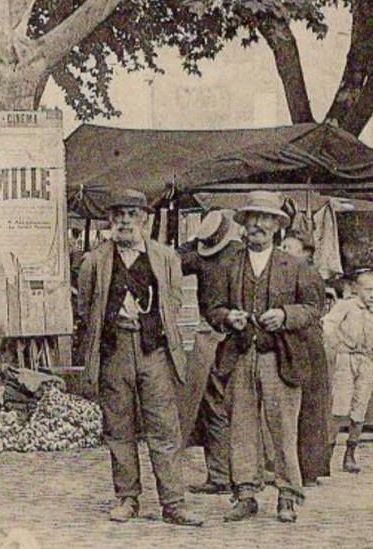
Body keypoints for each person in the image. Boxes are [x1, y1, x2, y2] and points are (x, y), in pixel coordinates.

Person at [75, 189, 202, 526]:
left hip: (154, 353)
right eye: (119, 215)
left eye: (132, 215)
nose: (125, 222)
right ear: (110, 220)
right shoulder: (94, 261)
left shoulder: (165, 257)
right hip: (114, 351)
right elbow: (86, 309)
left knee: (165, 429)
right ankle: (127, 498)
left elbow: (173, 302)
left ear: (144, 219)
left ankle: (173, 504)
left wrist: (152, 328)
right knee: (118, 428)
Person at [207, 191, 324, 523]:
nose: (258, 224)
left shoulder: (295, 266)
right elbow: (212, 308)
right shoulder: (229, 264)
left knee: (283, 428)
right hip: (241, 355)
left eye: (265, 218)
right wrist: (228, 317)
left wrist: (286, 315)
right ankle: (245, 494)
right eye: (252, 218)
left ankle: (287, 494)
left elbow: (314, 309)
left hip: (279, 357)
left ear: (277, 225)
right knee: (242, 427)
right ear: (244, 224)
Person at [178, 210, 243, 495]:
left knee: (213, 405)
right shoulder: (241, 254)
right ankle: (240, 473)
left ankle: (220, 475)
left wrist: (196, 241)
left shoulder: (200, 259)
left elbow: (176, 258)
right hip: (242, 334)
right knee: (237, 406)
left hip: (215, 336)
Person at [280, 227, 331, 488]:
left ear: (306, 253)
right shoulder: (290, 273)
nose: (283, 251)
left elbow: (312, 313)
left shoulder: (307, 276)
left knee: (310, 406)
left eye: (289, 247)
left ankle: (309, 468)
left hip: (308, 345)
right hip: (298, 343)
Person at [323, 270, 373, 474]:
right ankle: (327, 454)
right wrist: (337, 344)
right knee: (339, 407)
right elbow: (327, 325)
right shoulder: (346, 306)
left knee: (360, 409)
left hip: (366, 362)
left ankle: (350, 454)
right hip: (346, 359)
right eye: (368, 289)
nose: (371, 294)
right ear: (357, 289)